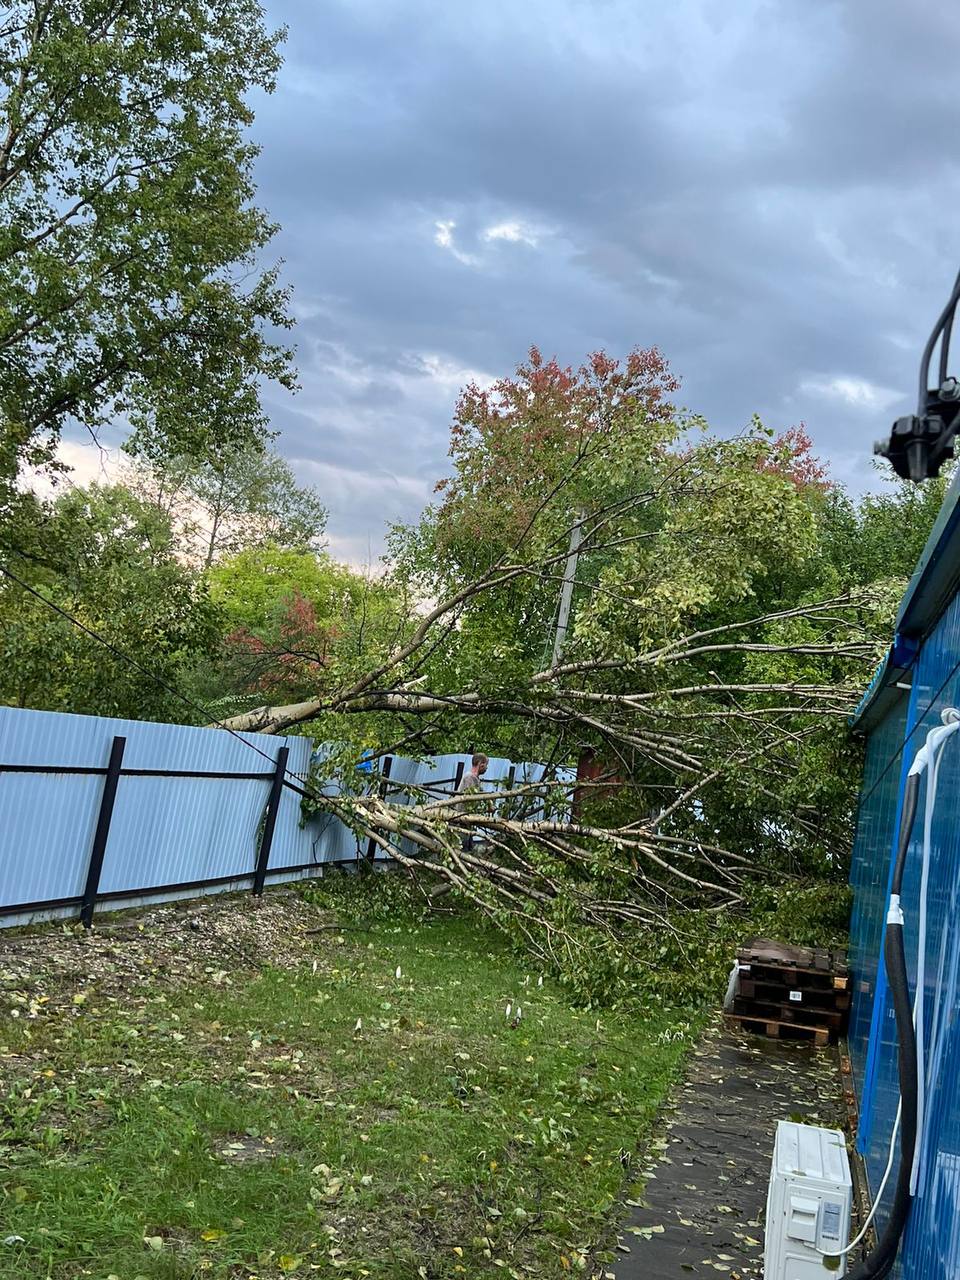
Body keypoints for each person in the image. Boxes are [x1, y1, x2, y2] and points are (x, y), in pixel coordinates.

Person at [456, 752, 488, 851]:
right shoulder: (470, 777)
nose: (486, 768)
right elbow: (469, 800)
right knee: (462, 849)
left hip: (467, 820)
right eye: (486, 765)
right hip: (462, 819)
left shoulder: (475, 779)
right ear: (480, 764)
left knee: (468, 847)